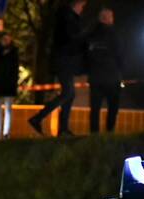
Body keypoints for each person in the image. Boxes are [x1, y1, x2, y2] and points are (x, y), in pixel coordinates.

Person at [29, 0, 87, 137]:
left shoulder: (66, 17)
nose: (82, 9)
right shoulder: (67, 19)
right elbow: (70, 39)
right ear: (76, 5)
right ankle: (38, 118)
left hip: (65, 60)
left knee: (70, 94)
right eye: (82, 6)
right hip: (64, 60)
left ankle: (63, 128)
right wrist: (83, 42)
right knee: (68, 93)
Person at [87, 7, 123, 134]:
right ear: (106, 19)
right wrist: (121, 71)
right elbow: (120, 55)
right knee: (113, 106)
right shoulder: (114, 35)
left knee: (95, 108)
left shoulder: (91, 34)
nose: (113, 19)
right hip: (112, 77)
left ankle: (94, 133)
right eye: (111, 17)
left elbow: (86, 55)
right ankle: (110, 131)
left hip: (95, 77)